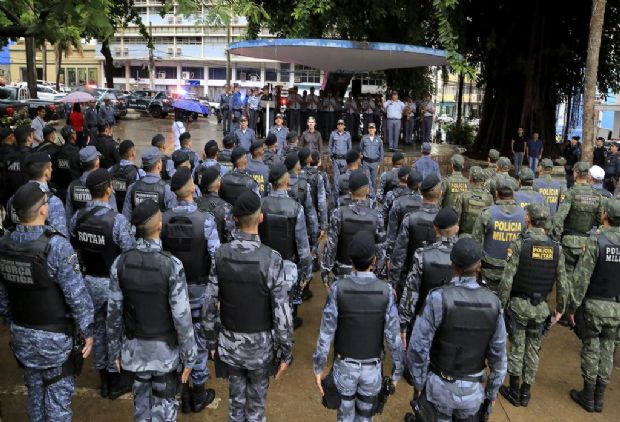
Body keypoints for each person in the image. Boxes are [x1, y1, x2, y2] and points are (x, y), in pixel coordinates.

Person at [0, 182, 94, 421]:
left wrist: (14, 323)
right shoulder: (56, 246)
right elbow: (77, 296)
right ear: (43, 210)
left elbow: (3, 298)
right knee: (58, 404)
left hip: (22, 336)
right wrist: (87, 330)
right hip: (55, 341)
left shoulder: (4, 245)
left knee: (35, 396)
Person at [205, 191, 293, 422]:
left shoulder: (220, 254)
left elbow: (209, 304)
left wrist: (212, 340)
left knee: (236, 407)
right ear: (261, 218)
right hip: (260, 349)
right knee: (256, 410)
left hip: (229, 344)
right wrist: (286, 351)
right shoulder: (271, 259)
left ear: (235, 218)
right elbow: (282, 313)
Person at [106, 199, 197, 421]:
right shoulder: (172, 265)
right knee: (165, 410)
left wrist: (114, 350)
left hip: (134, 351)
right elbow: (182, 318)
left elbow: (113, 314)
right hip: (164, 353)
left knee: (141, 410)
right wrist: (189, 356)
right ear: (159, 226)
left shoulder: (120, 263)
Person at [406, 237, 507, 422]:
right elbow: (499, 357)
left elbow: (418, 347)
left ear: (452, 264)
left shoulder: (438, 298)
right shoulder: (494, 303)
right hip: (473, 392)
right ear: (479, 266)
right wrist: (491, 393)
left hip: (439, 388)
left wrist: (419, 383)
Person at [313, 230, 403, 422]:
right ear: (374, 259)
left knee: (345, 418)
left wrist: (318, 367)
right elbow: (393, 336)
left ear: (351, 260)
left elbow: (326, 332)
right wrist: (396, 371)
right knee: (366, 418)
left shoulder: (338, 288)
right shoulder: (385, 291)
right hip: (372, 369)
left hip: (345, 367)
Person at [69, 169, 135, 399]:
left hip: (88, 283)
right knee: (115, 332)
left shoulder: (78, 217)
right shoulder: (117, 221)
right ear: (108, 189)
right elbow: (129, 254)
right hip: (112, 285)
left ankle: (105, 382)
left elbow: (74, 246)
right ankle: (115, 380)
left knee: (96, 330)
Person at [497, 203, 568, 407]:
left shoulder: (521, 244)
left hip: (519, 305)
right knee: (533, 349)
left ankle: (514, 389)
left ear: (528, 219)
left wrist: (501, 303)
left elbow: (507, 278)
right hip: (541, 309)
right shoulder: (556, 247)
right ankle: (526, 393)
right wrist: (560, 308)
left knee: (518, 346)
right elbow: (563, 281)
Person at [160, 169, 219, 413]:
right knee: (200, 340)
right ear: (193, 187)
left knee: (176, 338)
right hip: (199, 290)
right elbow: (216, 257)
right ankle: (197, 393)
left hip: (171, 291)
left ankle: (181, 391)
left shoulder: (162, 219)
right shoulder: (205, 219)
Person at [568, 199, 620, 413]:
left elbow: (581, 278)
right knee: (608, 348)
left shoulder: (596, 241)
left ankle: (588, 395)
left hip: (594, 305)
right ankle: (599, 397)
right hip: (616, 306)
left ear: (605, 215)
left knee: (591, 347)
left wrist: (571, 306)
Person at [399, 208, 460, 366]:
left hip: (423, 319)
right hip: (454, 323)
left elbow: (411, 292)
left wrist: (403, 324)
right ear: (457, 229)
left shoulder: (422, 254)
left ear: (435, 229)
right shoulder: (464, 256)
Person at [260, 163, 312, 329]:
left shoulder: (261, 204)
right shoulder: (295, 207)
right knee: (287, 307)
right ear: (286, 180)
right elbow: (303, 246)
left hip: (264, 263)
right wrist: (306, 273)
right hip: (288, 265)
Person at [322, 171, 385, 283]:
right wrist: (378, 272)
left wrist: (325, 271)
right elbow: (380, 249)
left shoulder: (338, 213)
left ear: (349, 190)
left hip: (342, 270)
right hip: (367, 272)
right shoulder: (377, 216)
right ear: (368, 190)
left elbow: (331, 245)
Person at [551, 162, 605, 286]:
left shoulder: (570, 193)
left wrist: (556, 239)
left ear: (575, 173)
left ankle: (563, 304)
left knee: (565, 279)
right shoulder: (597, 196)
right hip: (587, 243)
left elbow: (559, 219)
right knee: (582, 280)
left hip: (568, 242)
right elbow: (600, 221)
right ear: (588, 175)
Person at [389, 174, 442, 296]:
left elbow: (399, 254)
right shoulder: (444, 220)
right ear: (440, 194)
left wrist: (393, 284)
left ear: (421, 192)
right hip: (437, 282)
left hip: (409, 279)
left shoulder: (410, 218)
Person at [473, 177, 526, 293]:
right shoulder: (524, 215)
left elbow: (475, 242)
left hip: (489, 270)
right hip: (514, 270)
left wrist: (476, 268)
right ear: (513, 194)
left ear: (496, 194)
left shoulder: (487, 213)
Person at [5, 152, 69, 236]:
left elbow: (9, 230)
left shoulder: (13, 198)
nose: (52, 170)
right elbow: (61, 236)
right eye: (50, 167)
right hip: (43, 248)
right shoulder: (53, 202)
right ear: (46, 173)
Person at [122, 147, 176, 221]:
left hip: (137, 231)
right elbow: (171, 219)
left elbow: (126, 218)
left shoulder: (132, 187)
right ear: (159, 164)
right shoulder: (167, 189)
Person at [65, 146, 118, 218]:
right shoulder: (105, 185)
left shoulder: (72, 186)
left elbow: (68, 216)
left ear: (81, 164)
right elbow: (114, 215)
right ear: (97, 163)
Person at [386, 169, 423, 254]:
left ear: (407, 182)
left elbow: (392, 231)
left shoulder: (398, 202)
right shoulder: (424, 203)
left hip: (399, 248)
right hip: (419, 250)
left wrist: (389, 253)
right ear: (419, 185)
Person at [195, 166, 235, 244]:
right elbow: (230, 237)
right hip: (217, 252)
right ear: (218, 183)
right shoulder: (226, 208)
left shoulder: (194, 203)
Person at [453, 166, 493, 235]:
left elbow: (456, 220)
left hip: (464, 236)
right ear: (482, 179)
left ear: (470, 178)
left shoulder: (462, 196)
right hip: (481, 238)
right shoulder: (489, 198)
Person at [108, 140, 145, 212]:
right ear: (132, 153)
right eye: (134, 150)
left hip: (114, 209)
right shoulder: (139, 173)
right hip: (130, 210)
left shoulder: (110, 170)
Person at [51, 126, 81, 203]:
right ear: (73, 136)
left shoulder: (58, 152)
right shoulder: (77, 152)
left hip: (63, 189)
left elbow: (55, 171)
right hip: (77, 188)